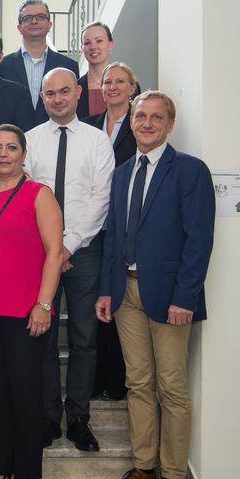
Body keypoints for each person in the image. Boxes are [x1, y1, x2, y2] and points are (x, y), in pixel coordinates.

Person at [97, 91, 215, 479]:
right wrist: (106, 290)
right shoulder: (123, 171)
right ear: (131, 121)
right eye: (141, 116)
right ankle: (144, 468)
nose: (147, 123)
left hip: (169, 297)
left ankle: (173, 477)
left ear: (170, 124)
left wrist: (185, 296)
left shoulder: (189, 171)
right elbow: (113, 233)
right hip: (125, 292)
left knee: (172, 387)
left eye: (156, 117)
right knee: (138, 383)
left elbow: (198, 240)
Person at [0, 124, 63, 479]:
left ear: (24, 154)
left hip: (27, 311)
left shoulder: (40, 195)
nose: (3, 154)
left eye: (11, 147)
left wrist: (44, 304)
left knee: (25, 392)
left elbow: (55, 253)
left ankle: (26, 473)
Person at [25, 68, 114, 453]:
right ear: (42, 97)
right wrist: (51, 250)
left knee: (84, 338)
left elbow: (100, 198)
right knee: (41, 338)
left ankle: (78, 417)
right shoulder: (29, 141)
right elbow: (26, 198)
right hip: (39, 252)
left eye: (64, 92)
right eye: (50, 94)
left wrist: (68, 246)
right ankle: (48, 416)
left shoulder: (97, 141)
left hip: (85, 250)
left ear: (77, 93)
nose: (58, 99)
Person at [84, 62, 140, 402]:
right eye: (107, 81)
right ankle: (96, 378)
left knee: (117, 300)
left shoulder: (140, 126)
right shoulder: (90, 127)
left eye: (120, 82)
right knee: (96, 304)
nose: (113, 86)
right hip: (94, 225)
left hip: (123, 224)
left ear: (132, 88)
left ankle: (117, 380)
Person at [0, 0, 80, 126]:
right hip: (14, 139)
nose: (34, 21)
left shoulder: (69, 66)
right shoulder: (3, 66)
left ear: (50, 25)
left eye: (41, 17)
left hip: (57, 137)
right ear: (19, 27)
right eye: (28, 18)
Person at [76, 22, 141, 119]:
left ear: (110, 45)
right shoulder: (75, 88)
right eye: (87, 42)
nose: (93, 47)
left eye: (99, 41)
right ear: (82, 48)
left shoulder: (130, 85)